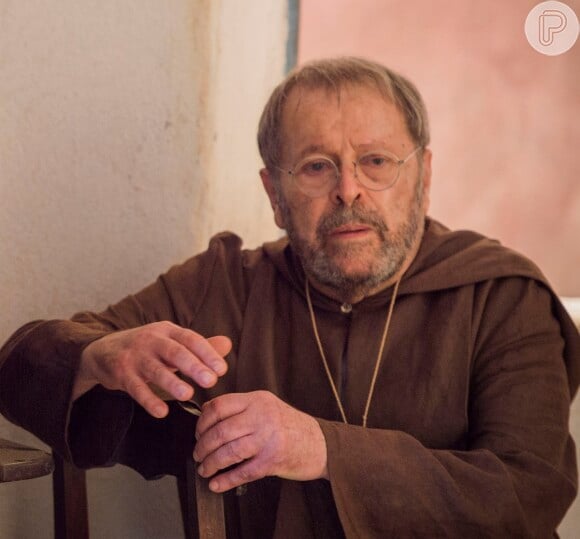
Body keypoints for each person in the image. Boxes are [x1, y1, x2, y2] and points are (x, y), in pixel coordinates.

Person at [1, 57, 579, 538]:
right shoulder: (222, 285)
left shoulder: (503, 297)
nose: (348, 189)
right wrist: (95, 357)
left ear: (423, 178)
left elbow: (528, 491)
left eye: (375, 161)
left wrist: (322, 448)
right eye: (315, 166)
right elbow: (18, 368)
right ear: (274, 194)